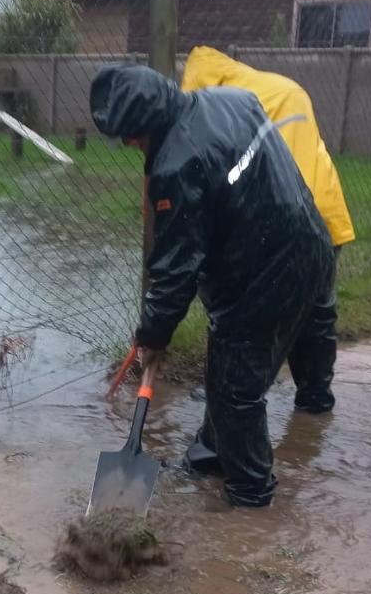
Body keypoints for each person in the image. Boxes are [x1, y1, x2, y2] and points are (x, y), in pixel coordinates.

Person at [90, 63, 334, 508]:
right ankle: (214, 455)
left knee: (235, 390)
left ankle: (250, 502)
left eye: (130, 135)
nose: (128, 144)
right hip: (311, 242)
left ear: (146, 124)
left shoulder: (176, 165)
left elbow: (176, 268)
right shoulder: (231, 100)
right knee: (233, 369)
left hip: (263, 273)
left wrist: (152, 335)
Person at [181, 45, 355, 414]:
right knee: (316, 308)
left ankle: (238, 394)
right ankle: (315, 399)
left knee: (246, 317)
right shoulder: (284, 87)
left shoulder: (222, 109)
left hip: (280, 224)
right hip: (325, 213)